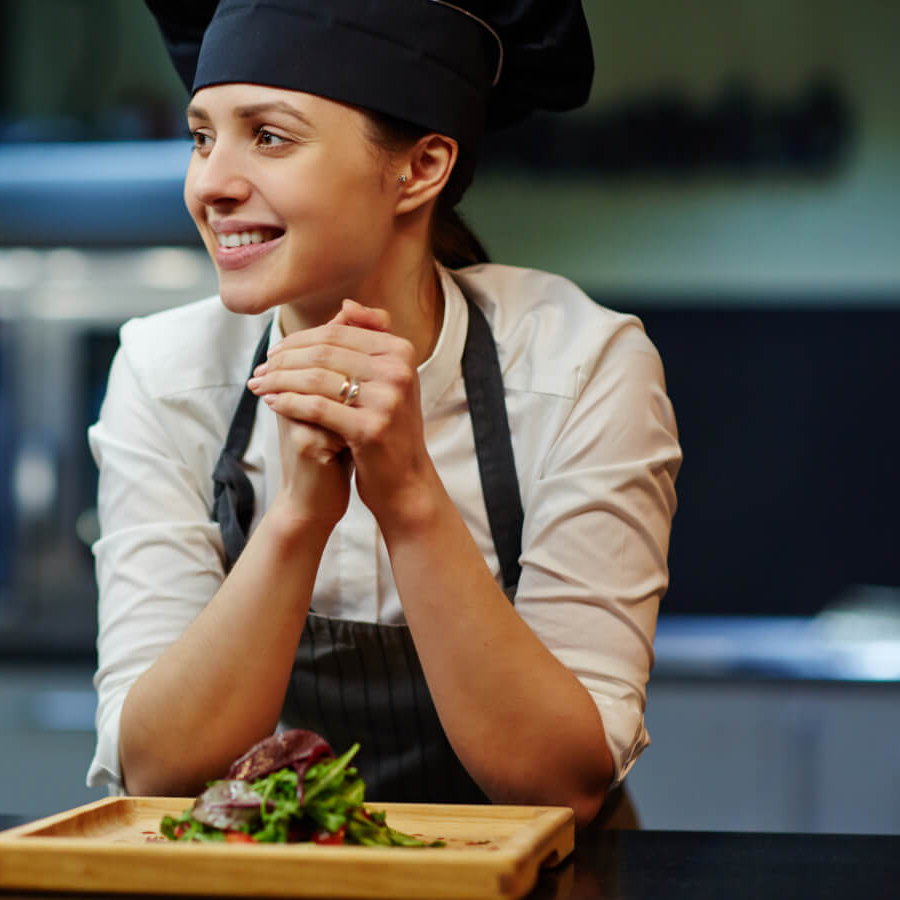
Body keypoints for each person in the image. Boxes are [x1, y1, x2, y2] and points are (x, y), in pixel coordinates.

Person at [87, 0, 681, 828]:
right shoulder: (167, 370)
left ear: (421, 168)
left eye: (269, 136)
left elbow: (565, 783)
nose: (210, 183)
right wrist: (297, 517)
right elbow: (156, 771)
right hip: (258, 883)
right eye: (201, 136)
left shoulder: (581, 368)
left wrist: (406, 495)